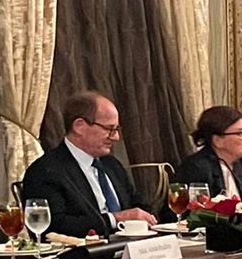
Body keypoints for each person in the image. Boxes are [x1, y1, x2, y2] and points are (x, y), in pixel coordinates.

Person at [20, 92, 156, 237]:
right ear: (79, 126)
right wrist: (115, 219)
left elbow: (140, 206)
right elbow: (54, 226)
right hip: (85, 250)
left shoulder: (111, 164)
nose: (116, 137)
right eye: (110, 129)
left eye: (116, 130)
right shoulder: (45, 171)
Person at [175, 106, 242, 202]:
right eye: (240, 133)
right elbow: (193, 208)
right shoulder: (197, 168)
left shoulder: (236, 165)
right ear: (217, 140)